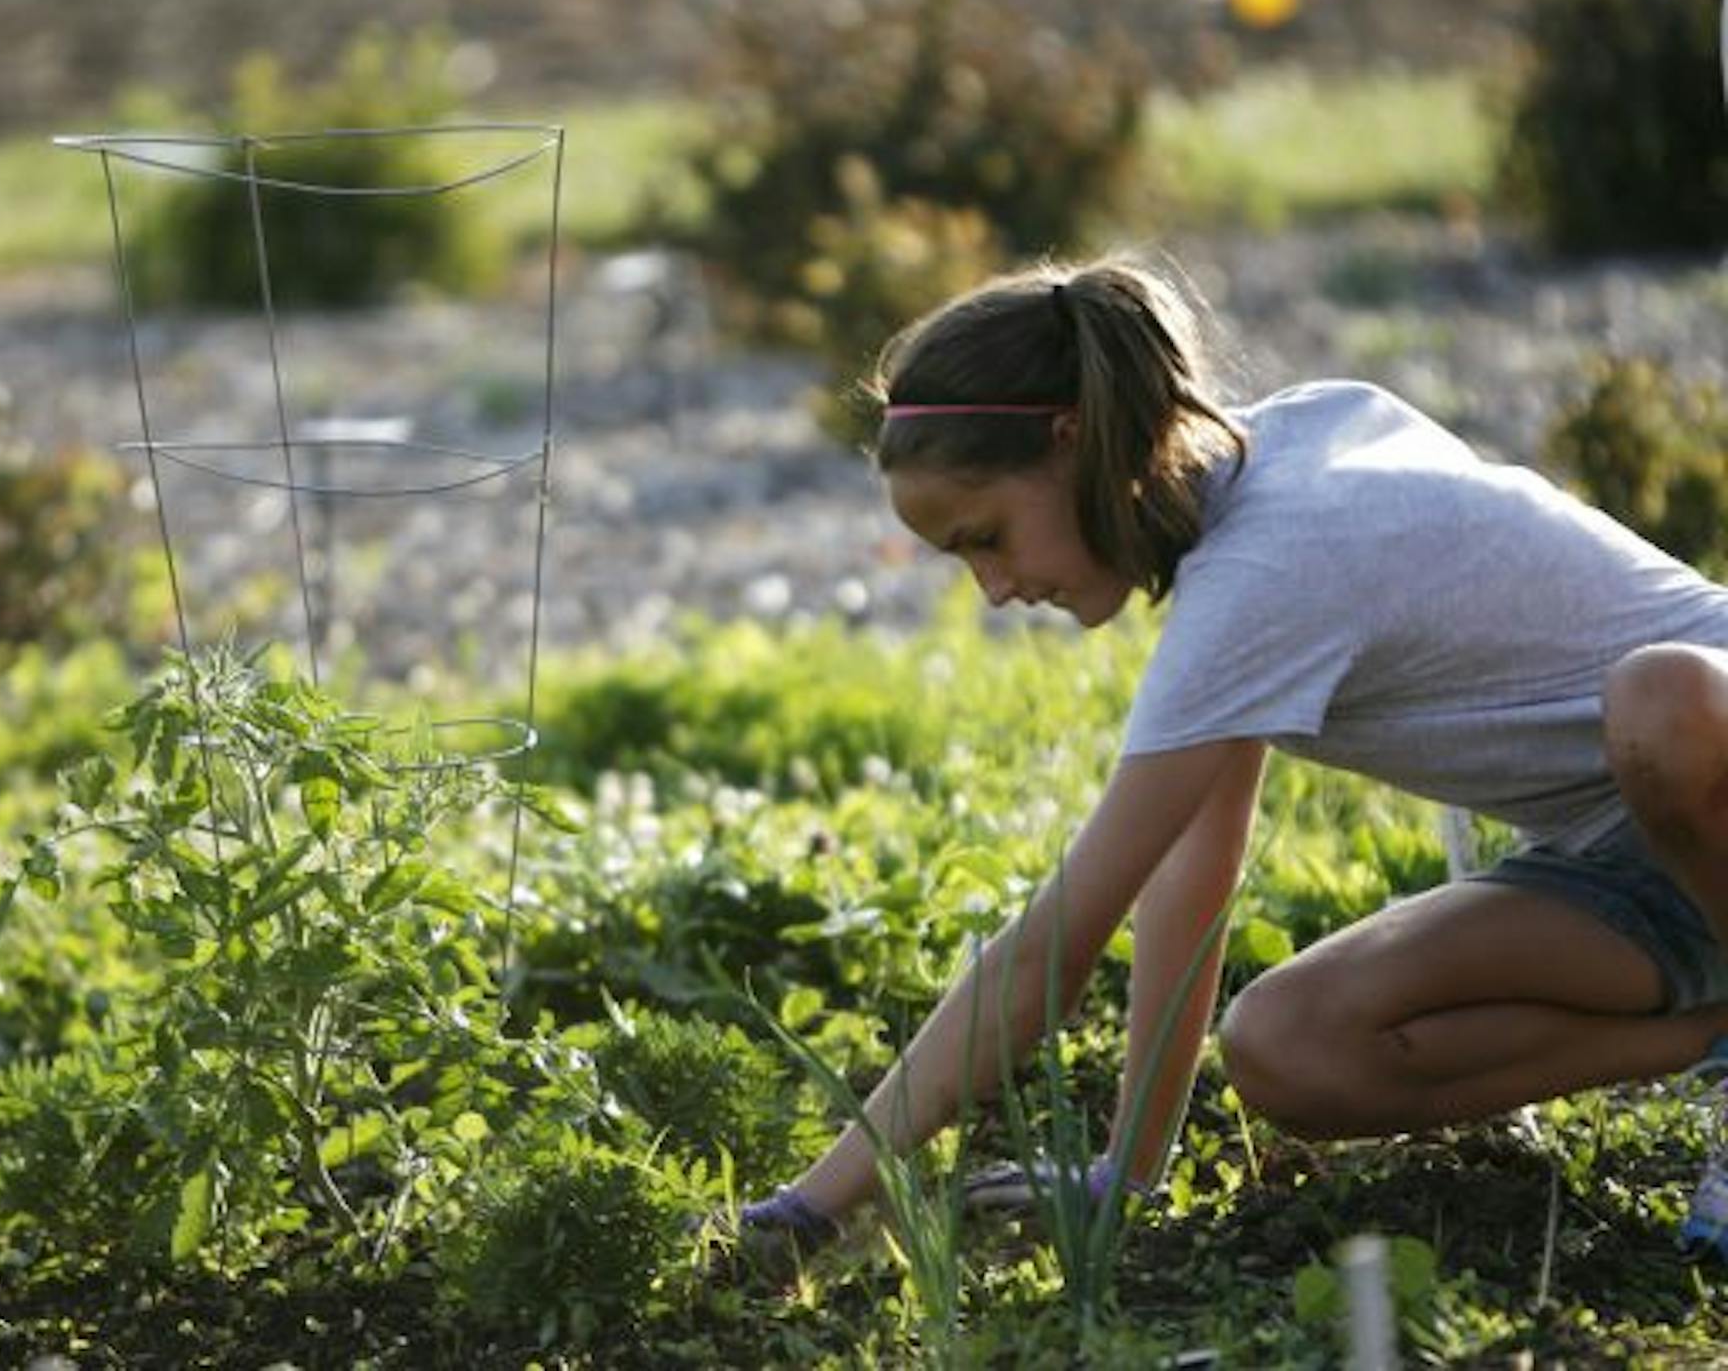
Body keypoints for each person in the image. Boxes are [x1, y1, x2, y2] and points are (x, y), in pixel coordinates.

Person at [737, 256, 1728, 1260]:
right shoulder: (1259, 496)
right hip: (1643, 860)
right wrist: (1126, 1173)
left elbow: (1048, 957)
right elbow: (1188, 878)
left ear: (1072, 442)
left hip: (1706, 763)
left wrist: (809, 1208)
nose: (994, 588)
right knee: (1286, 1047)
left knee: (1664, 703)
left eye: (987, 537)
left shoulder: (1273, 556)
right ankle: (1716, 1041)